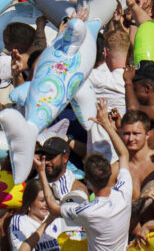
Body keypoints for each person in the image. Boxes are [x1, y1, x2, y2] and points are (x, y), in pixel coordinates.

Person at [43, 103, 132, 251]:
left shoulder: (87, 211)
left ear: (88, 181)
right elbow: (124, 154)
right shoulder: (124, 193)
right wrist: (107, 125)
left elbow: (53, 208)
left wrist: (40, 171)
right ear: (109, 173)